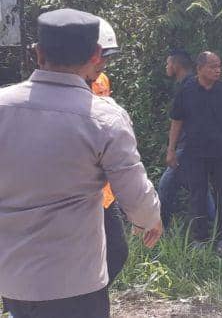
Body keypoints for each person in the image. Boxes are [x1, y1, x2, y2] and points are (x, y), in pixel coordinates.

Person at [0, 9, 161, 318]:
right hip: (75, 282)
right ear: (96, 54)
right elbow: (136, 196)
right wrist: (149, 220)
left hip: (13, 278)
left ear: (38, 53)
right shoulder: (104, 119)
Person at [167, 51, 222, 253]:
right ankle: (200, 239)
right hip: (195, 152)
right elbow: (177, 121)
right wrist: (171, 150)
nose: (217, 70)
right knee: (197, 196)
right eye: (212, 66)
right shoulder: (186, 91)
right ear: (200, 69)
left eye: (219, 66)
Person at [85, 17, 129, 287]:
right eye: (100, 57)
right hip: (73, 188)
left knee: (116, 251)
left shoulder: (102, 81)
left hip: (103, 189)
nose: (103, 63)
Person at [157, 50, 216, 232]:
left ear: (175, 65)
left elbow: (182, 121)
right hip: (199, 146)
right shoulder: (192, 84)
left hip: (189, 146)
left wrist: (172, 149)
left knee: (166, 185)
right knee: (199, 186)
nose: (166, 67)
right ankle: (215, 225)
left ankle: (159, 228)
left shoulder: (188, 87)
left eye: (168, 64)